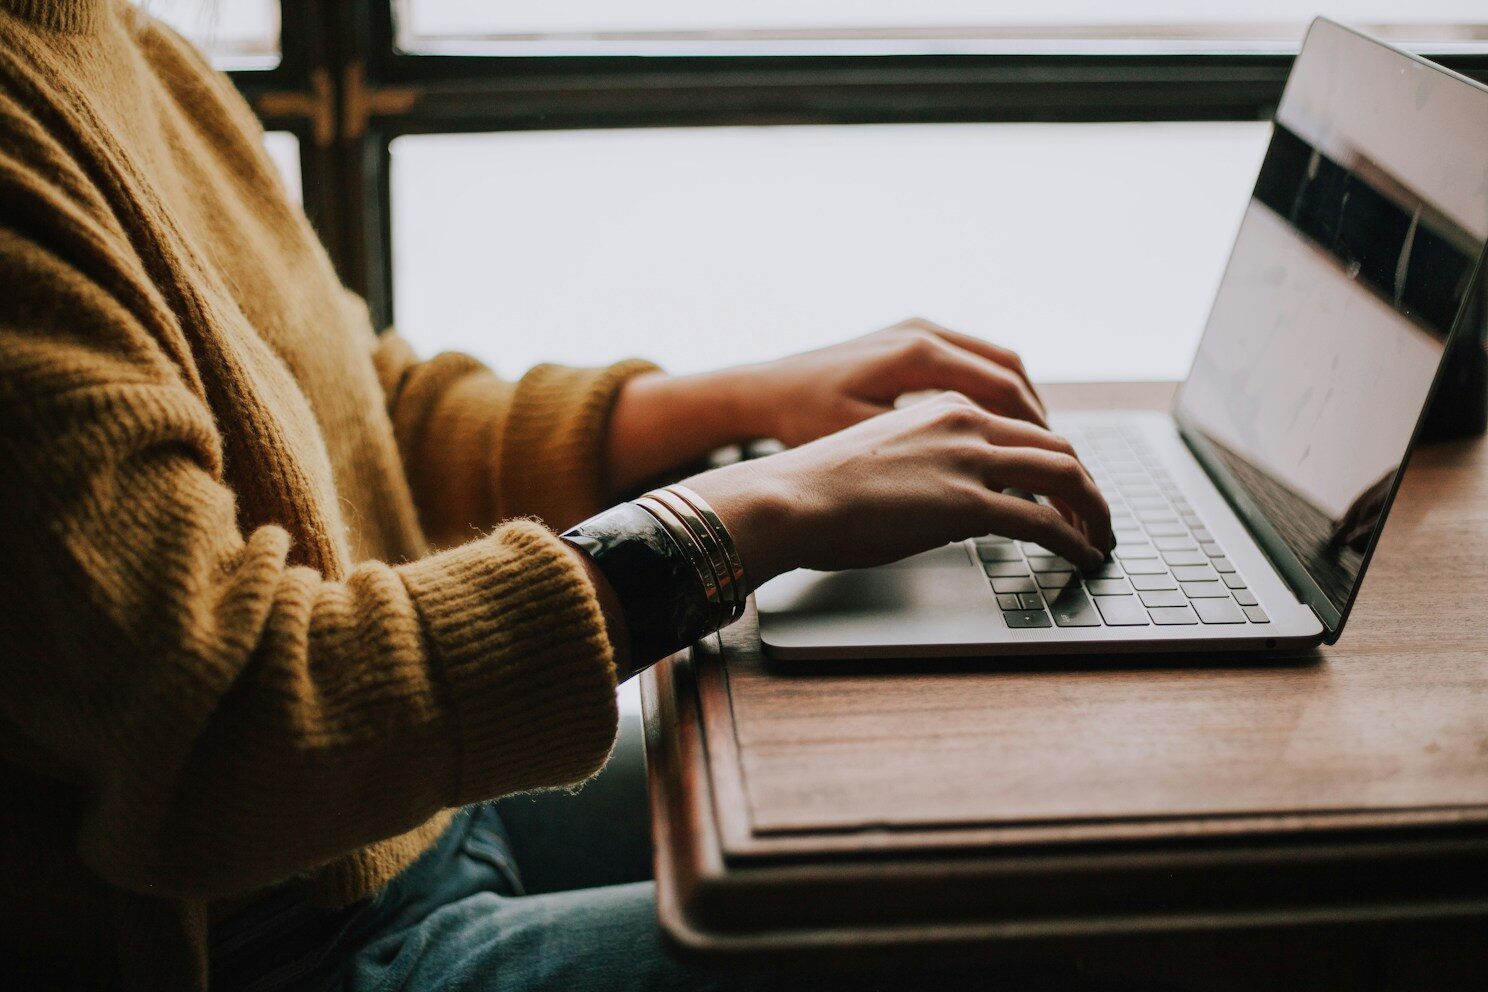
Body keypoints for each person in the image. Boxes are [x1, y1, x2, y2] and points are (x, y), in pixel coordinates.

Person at [0, 1, 1113, 989]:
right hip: (286, 942)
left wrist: (744, 399)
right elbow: (227, 729)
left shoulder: (116, 39)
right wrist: (750, 512)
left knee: (986, 824)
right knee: (1036, 937)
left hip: (412, 813)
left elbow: (361, 418)